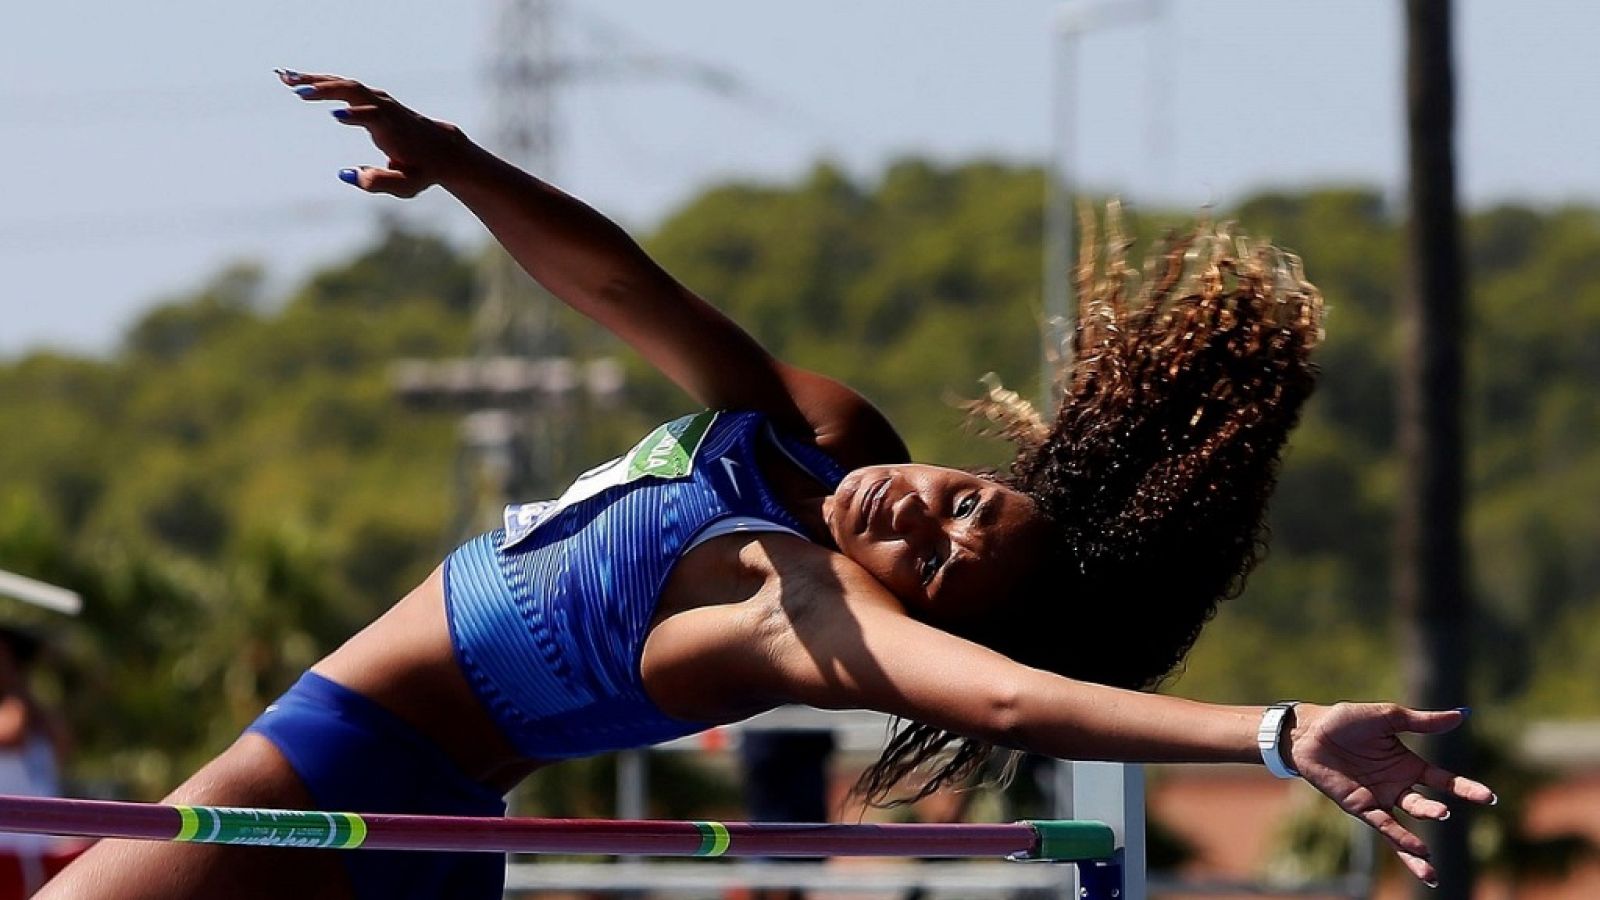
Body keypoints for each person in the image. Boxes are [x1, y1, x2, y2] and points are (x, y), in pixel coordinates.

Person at [40, 71, 1493, 900]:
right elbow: (628, 291)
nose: (919, 520)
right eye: (965, 507)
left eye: (932, 568)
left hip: (327, 782)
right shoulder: (822, 437)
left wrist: (1274, 728)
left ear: (909, 617)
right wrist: (464, 163)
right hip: (431, 830)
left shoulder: (806, 618)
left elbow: (1002, 699)